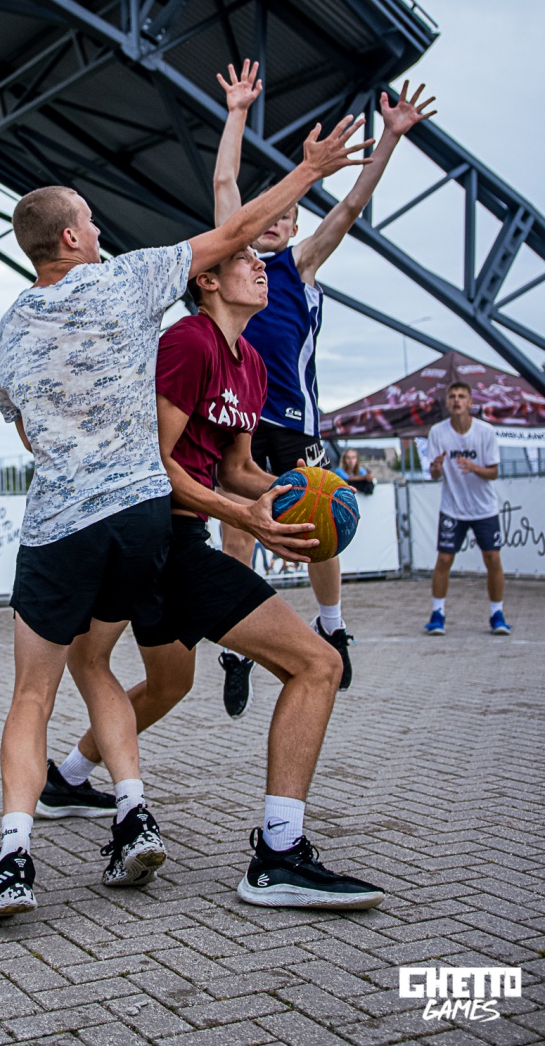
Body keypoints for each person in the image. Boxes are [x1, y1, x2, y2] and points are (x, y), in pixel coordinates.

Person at [0, 74, 371, 923]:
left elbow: (29, 432)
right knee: (152, 669)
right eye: (90, 222)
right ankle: (175, 824)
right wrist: (309, 170)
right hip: (148, 523)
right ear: (71, 237)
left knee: (68, 685)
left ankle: (26, 840)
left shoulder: (12, 326)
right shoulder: (142, 299)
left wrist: (283, 494)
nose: (100, 231)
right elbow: (235, 224)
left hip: (66, 524)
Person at [49, 242, 384, 908]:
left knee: (170, 683)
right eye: (246, 260)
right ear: (206, 280)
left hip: (178, 536)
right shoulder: (187, 342)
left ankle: (68, 778)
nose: (262, 267)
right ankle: (279, 855)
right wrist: (243, 516)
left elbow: (237, 469)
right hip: (159, 538)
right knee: (317, 665)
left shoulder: (251, 362)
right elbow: (155, 461)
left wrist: (306, 492)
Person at [213, 68, 436, 710]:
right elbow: (226, 185)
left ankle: (332, 626)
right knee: (238, 531)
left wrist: (390, 136)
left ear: (294, 228)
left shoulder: (299, 267)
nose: (277, 221)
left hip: (293, 419)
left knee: (319, 523)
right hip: (239, 416)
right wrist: (237, 112)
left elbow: (350, 207)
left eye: (288, 215)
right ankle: (237, 646)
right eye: (270, 212)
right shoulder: (232, 264)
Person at [423, 381, 509, 636]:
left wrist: (473, 468)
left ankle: (497, 614)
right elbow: (434, 473)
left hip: (484, 508)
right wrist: (437, 467)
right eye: (452, 396)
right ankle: (437, 614)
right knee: (444, 559)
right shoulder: (438, 432)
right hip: (453, 507)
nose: (457, 400)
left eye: (462, 396)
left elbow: (494, 472)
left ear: (470, 403)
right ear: (447, 403)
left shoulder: (485, 431)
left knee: (493, 559)